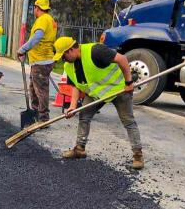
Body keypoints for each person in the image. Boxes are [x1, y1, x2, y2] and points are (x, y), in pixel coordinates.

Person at [53, 36, 144, 170]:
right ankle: (79, 149)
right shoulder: (69, 65)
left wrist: (129, 82)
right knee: (84, 116)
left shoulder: (95, 51)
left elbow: (122, 59)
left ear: (71, 50)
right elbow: (76, 87)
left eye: (64, 56)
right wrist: (72, 107)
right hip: (97, 93)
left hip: (119, 89)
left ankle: (138, 155)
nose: (63, 60)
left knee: (128, 121)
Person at [17, 0, 57, 123]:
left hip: (41, 60)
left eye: (34, 8)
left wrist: (23, 49)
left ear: (37, 8)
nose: (34, 10)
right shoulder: (50, 20)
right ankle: (35, 113)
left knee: (41, 91)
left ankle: (43, 118)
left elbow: (37, 37)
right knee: (34, 88)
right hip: (42, 60)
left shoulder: (42, 20)